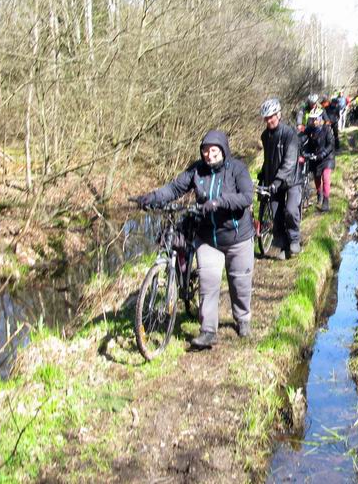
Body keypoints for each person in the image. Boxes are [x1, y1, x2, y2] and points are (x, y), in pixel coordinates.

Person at [134, 130, 254, 350]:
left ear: (223, 151)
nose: (209, 155)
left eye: (214, 150)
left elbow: (247, 196)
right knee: (208, 283)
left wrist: (219, 202)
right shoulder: (196, 170)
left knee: (240, 282)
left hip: (237, 237)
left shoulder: (237, 169)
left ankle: (242, 318)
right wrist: (151, 197)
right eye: (205, 151)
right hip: (208, 237)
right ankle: (208, 331)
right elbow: (174, 188)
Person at [259, 98, 302, 260]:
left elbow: (290, 161)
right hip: (273, 182)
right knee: (276, 217)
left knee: (291, 210)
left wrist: (278, 180)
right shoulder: (265, 136)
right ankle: (284, 246)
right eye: (266, 118)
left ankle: (294, 239)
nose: (269, 120)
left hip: (291, 180)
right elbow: (268, 159)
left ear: (279, 115)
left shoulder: (289, 134)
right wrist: (264, 175)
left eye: (272, 116)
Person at [304, 109, 335, 212]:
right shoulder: (309, 130)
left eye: (314, 119)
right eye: (311, 120)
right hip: (315, 158)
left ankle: (326, 201)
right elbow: (302, 139)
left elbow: (331, 144)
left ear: (319, 119)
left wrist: (323, 153)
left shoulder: (326, 129)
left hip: (327, 158)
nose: (313, 122)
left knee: (325, 177)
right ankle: (319, 194)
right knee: (317, 178)